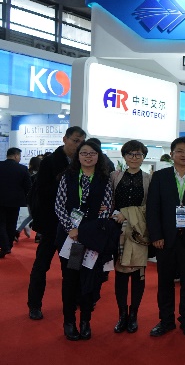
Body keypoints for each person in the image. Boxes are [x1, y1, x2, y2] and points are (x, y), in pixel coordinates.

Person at [147, 136, 185, 337]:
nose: (184, 155)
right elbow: (152, 209)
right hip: (165, 239)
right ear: (172, 154)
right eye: (180, 151)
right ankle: (165, 321)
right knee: (165, 282)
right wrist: (156, 235)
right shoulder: (160, 176)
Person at [55, 140, 114, 341]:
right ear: (78, 156)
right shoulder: (68, 177)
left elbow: (106, 208)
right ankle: (69, 321)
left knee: (90, 280)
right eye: (84, 153)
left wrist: (87, 231)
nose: (88, 156)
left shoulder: (104, 179)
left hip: (93, 238)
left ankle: (85, 320)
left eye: (92, 153)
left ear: (98, 156)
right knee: (71, 279)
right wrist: (71, 229)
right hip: (71, 239)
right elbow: (59, 206)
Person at [27, 126, 86, 320]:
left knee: (73, 267)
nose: (78, 145)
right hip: (51, 225)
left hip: (75, 226)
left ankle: (74, 300)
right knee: (41, 266)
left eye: (81, 142)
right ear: (65, 139)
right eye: (75, 140)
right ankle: (34, 304)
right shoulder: (50, 161)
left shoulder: (82, 162)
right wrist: (63, 182)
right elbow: (42, 192)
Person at [110, 140, 151, 334]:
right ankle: (122, 315)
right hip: (117, 230)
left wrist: (126, 213)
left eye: (138, 154)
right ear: (124, 156)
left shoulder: (149, 179)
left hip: (138, 231)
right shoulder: (114, 176)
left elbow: (150, 206)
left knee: (137, 274)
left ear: (143, 157)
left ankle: (134, 314)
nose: (134, 158)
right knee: (120, 273)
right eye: (130, 154)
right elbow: (109, 201)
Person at [0, 148, 31, 257]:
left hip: (0, 200)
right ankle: (8, 245)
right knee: (11, 223)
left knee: (1, 223)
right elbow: (28, 186)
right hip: (15, 201)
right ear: (16, 156)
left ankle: (4, 246)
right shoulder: (22, 168)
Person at [15, 156, 41, 242]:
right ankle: (38, 235)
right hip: (38, 199)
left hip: (29, 199)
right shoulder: (40, 174)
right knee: (38, 216)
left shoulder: (27, 173)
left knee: (31, 216)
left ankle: (18, 231)